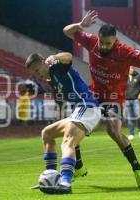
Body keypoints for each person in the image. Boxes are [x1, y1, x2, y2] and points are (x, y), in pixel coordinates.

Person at [63, 10, 140, 188]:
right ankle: (78, 167)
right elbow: (66, 31)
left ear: (115, 40)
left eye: (108, 43)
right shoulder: (92, 42)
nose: (104, 46)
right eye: (102, 42)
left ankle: (137, 169)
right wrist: (80, 25)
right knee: (73, 125)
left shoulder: (124, 52)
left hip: (114, 99)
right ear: (99, 37)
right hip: (93, 96)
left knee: (113, 131)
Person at [25, 52, 101, 194]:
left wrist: (55, 57)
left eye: (37, 70)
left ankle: (65, 182)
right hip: (79, 110)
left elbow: (69, 57)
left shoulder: (56, 67)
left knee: (67, 142)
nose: (37, 75)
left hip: (87, 107)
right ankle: (51, 178)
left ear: (43, 62)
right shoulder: (51, 79)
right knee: (47, 133)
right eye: (33, 73)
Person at [126, 66, 140, 140]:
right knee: (129, 118)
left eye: (131, 69)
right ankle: (131, 134)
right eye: (129, 69)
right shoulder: (124, 77)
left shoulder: (138, 76)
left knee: (138, 116)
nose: (130, 70)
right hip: (127, 100)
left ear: (134, 69)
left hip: (136, 100)